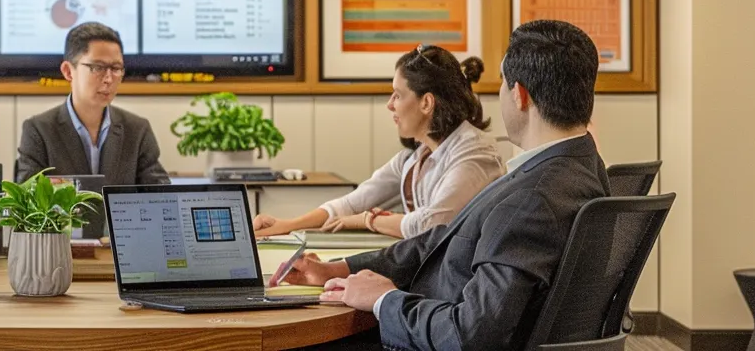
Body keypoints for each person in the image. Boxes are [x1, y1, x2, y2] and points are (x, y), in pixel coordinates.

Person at [273, 20, 611, 351]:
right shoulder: (578, 167)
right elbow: (442, 239)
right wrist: (341, 268)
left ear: (519, 95)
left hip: (426, 332)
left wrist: (385, 300)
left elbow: (471, 335)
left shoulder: (530, 201)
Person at [253, 45, 503, 240]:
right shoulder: (417, 156)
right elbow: (352, 203)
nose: (390, 104)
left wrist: (368, 220)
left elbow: (431, 225)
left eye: (398, 94)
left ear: (426, 103)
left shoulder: (474, 153)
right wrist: (286, 225)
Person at [15, 22, 171, 186]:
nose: (109, 79)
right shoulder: (39, 130)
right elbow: (27, 200)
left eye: (116, 68)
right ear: (68, 71)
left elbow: (159, 195)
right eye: (97, 67)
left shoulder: (137, 130)